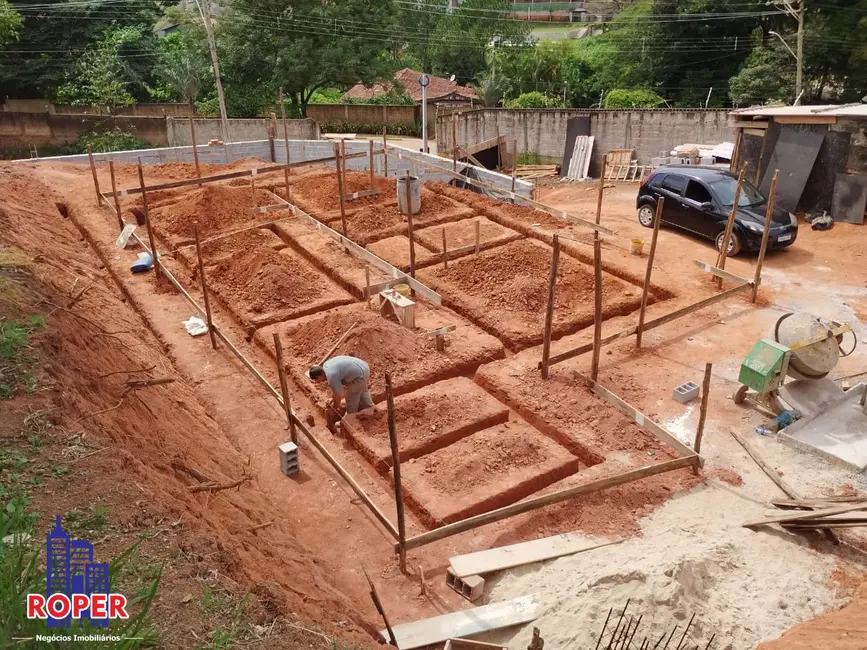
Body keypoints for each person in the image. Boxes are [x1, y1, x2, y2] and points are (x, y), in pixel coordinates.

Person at [308, 355, 374, 414]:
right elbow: (335, 392)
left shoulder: (331, 376)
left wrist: (334, 408)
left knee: (350, 397)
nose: (317, 382)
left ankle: (351, 418)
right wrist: (333, 399)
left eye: (316, 380)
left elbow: (339, 395)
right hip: (363, 367)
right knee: (362, 391)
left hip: (359, 376)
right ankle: (371, 408)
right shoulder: (326, 365)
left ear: (318, 377)